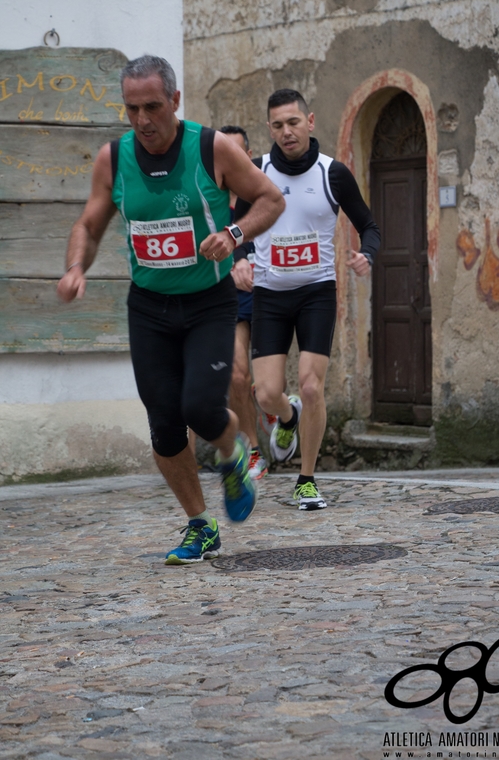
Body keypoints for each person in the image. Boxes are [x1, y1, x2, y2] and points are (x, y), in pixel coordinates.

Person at [57, 56, 285, 563]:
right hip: (150, 308)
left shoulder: (212, 148)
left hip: (208, 302)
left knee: (201, 408)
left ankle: (232, 454)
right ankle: (199, 525)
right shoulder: (113, 160)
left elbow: (270, 200)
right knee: (163, 422)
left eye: (153, 107)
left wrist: (233, 234)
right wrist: (77, 267)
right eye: (132, 108)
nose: (142, 120)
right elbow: (89, 226)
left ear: (175, 101)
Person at [236, 88, 380, 511]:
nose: (286, 132)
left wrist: (366, 254)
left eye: (293, 122)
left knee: (313, 385)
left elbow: (368, 225)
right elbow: (236, 225)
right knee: (265, 394)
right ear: (270, 129)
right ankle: (287, 416)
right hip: (269, 295)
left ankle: (306, 479)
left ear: (310, 121)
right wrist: (240, 258)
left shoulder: (331, 173)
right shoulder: (256, 171)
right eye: (278, 125)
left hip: (316, 292)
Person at [219, 125, 269, 480]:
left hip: (268, 293)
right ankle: (252, 450)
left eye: (238, 153)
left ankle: (269, 403)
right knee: (237, 375)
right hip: (228, 297)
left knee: (268, 385)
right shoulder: (207, 200)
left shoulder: (264, 195)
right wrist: (232, 263)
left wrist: (252, 260)